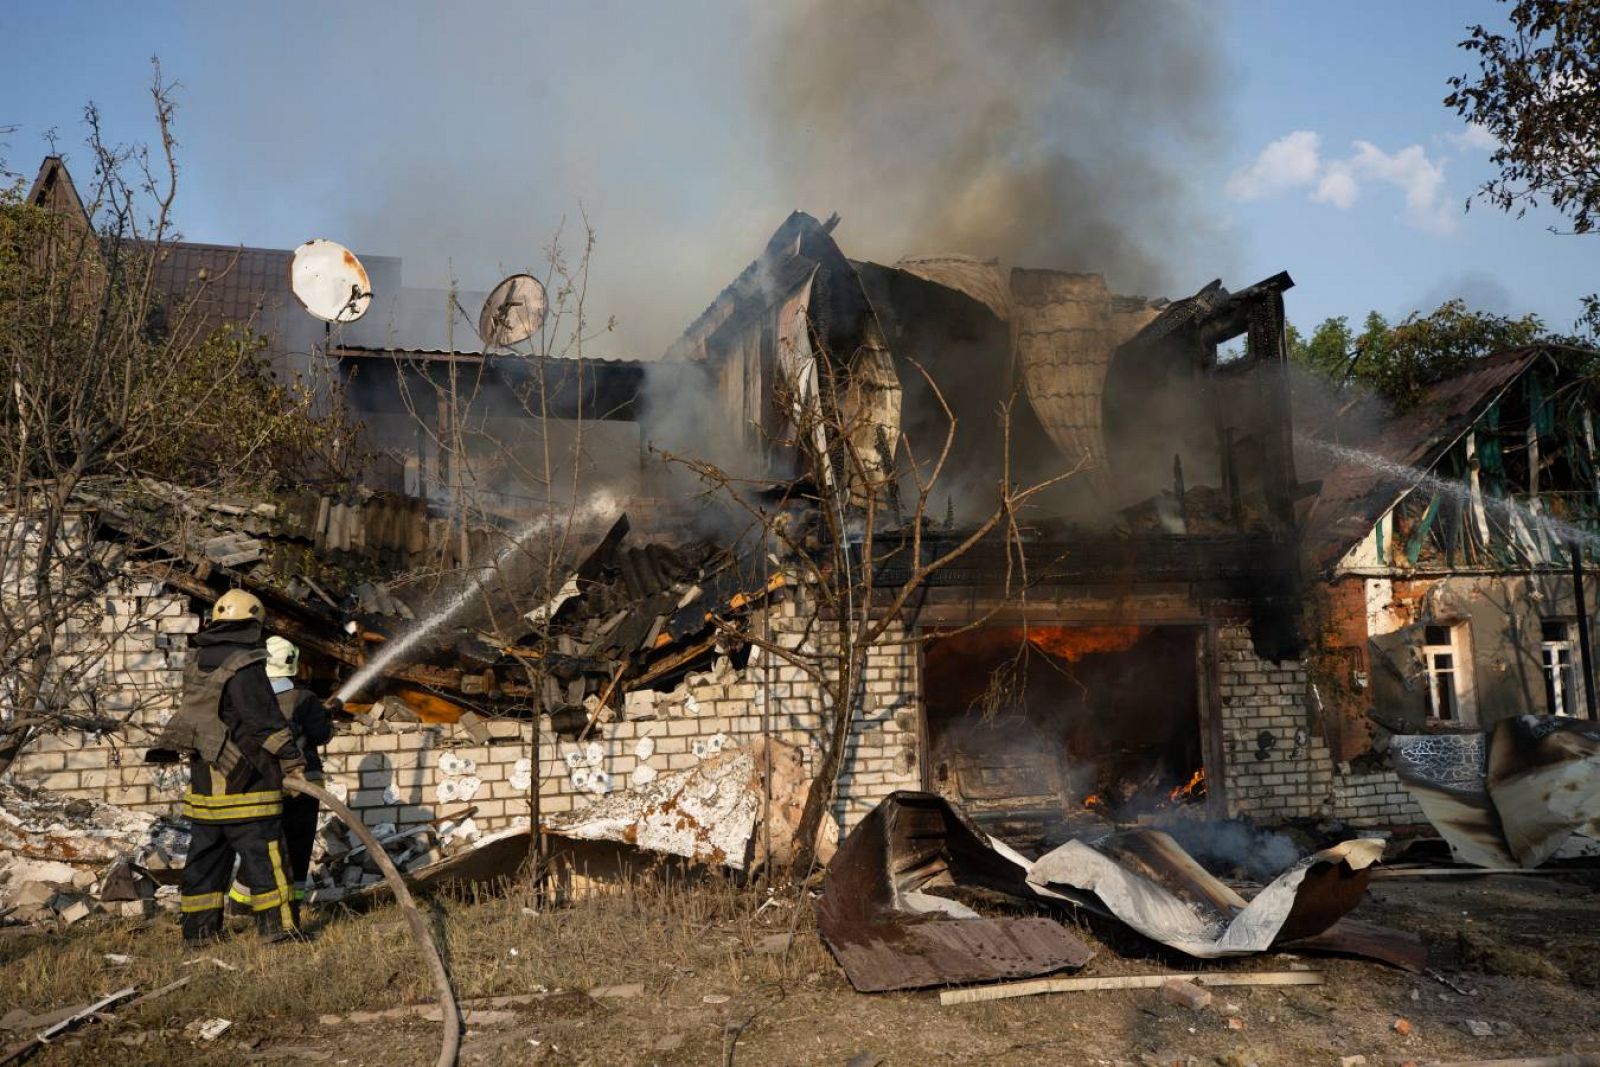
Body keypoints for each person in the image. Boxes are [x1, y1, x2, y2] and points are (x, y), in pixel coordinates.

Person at [148, 589, 305, 944]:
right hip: (247, 785)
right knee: (267, 858)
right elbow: (264, 721)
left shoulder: (198, 659)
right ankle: (278, 931)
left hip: (205, 785)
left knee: (205, 862)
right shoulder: (245, 663)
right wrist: (293, 762)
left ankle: (199, 934)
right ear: (253, 622)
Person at [263, 635, 331, 927]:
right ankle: (293, 904)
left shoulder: (254, 700)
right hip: (306, 783)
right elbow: (321, 735)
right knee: (299, 844)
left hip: (266, 783)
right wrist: (325, 718)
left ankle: (248, 904)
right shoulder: (304, 698)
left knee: (267, 844)